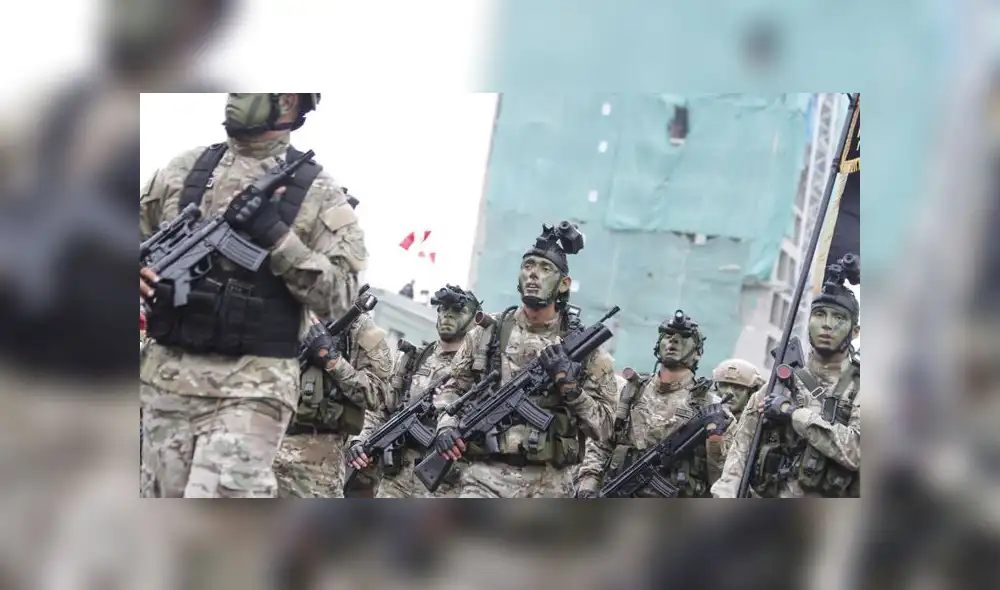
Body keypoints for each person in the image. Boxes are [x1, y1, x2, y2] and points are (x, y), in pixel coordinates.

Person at [139, 93, 368, 497]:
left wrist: (278, 237)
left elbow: (340, 296)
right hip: (167, 381)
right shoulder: (183, 169)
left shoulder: (319, 192)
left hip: (252, 384)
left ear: (288, 101)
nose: (234, 97)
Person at [431, 222, 618, 498]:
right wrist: (445, 426)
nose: (534, 274)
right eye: (528, 266)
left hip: (551, 485)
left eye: (545, 269)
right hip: (485, 478)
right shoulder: (488, 332)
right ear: (518, 277)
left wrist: (570, 387)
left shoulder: (585, 351)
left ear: (564, 284)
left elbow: (605, 428)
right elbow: (452, 389)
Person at [712, 259, 861, 498]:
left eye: (839, 318)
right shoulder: (779, 384)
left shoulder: (860, 387)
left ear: (855, 332)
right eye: (819, 314)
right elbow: (739, 454)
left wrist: (794, 414)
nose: (827, 325)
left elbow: (857, 452)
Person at [575, 311, 731, 497]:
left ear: (697, 353)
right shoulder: (630, 392)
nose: (673, 341)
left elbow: (723, 478)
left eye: (684, 337)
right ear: (658, 344)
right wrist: (588, 486)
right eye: (667, 336)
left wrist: (715, 442)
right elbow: (601, 444)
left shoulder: (711, 407)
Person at [348, 284, 482, 498]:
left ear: (476, 319)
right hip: (397, 481)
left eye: (458, 310)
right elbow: (383, 408)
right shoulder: (414, 359)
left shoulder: (476, 367)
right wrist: (361, 441)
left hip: (443, 485)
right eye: (443, 309)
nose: (448, 315)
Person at [274, 310, 392, 498]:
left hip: (316, 465)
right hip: (263, 444)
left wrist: (332, 360)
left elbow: (377, 395)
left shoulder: (360, 328)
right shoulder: (283, 307)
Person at [710, 358, 765, 455]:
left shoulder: (758, 426)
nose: (729, 392)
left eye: (738, 388)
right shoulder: (706, 417)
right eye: (724, 385)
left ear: (751, 393)